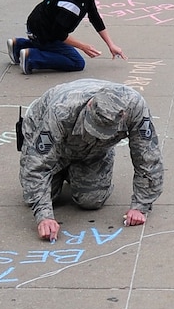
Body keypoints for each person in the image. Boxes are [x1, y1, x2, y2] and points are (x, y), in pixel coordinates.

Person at [18, 80, 164, 243]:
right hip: (49, 139)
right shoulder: (60, 111)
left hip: (94, 152)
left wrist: (141, 206)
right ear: (89, 106)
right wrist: (44, 217)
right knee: (42, 195)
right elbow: (36, 166)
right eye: (94, 129)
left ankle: (76, 169)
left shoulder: (136, 107)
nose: (96, 135)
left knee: (91, 200)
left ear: (123, 116)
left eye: (102, 133)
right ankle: (61, 170)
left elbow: (148, 158)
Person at [10, 0, 126, 76]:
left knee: (59, 47)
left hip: (41, 26)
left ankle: (18, 46)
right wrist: (83, 46)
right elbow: (58, 34)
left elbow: (94, 17)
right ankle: (31, 57)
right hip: (43, 32)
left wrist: (111, 45)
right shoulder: (71, 4)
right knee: (76, 62)